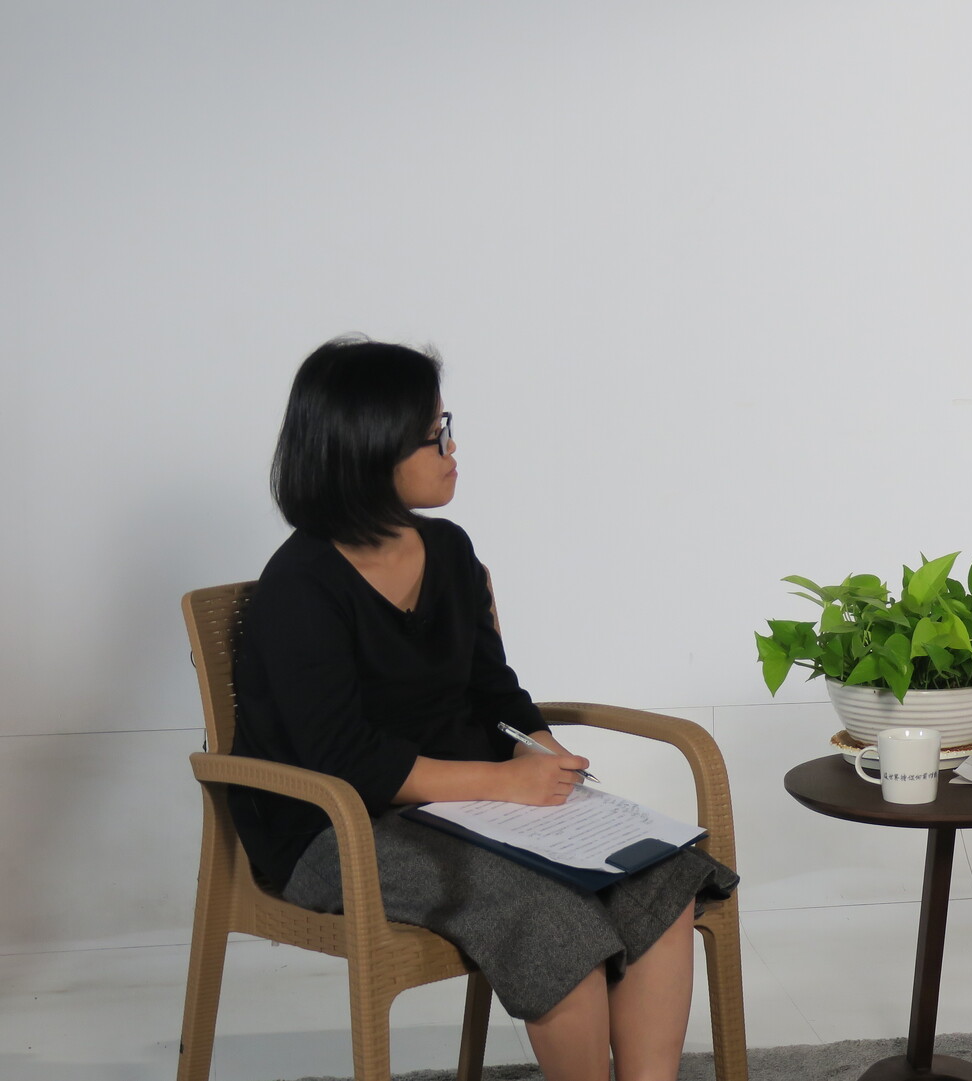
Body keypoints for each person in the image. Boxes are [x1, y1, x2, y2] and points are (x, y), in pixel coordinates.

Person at [230, 336, 736, 1081]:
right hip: (335, 826)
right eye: (435, 433)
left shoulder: (450, 550)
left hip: (468, 807)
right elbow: (345, 759)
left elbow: (493, 687)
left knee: (659, 876)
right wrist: (502, 784)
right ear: (369, 448)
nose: (452, 448)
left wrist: (536, 746)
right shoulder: (299, 588)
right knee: (551, 920)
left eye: (448, 425)